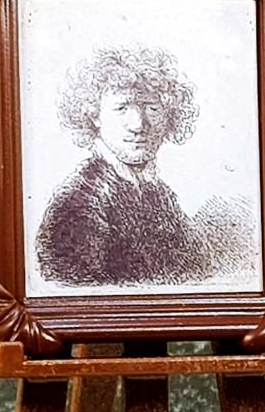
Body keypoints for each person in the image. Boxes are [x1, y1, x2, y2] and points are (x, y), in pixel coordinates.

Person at [35, 45, 206, 286]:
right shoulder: (78, 202)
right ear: (94, 115)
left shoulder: (161, 196)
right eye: (122, 108)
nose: (138, 124)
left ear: (169, 115)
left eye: (151, 107)